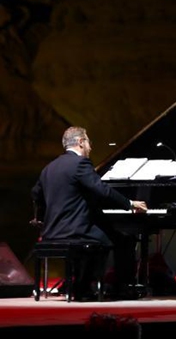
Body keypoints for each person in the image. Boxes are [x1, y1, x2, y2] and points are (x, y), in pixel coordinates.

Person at [31, 126, 147, 301]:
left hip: (52, 231)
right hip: (75, 230)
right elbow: (102, 190)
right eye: (88, 142)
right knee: (122, 239)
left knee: (104, 234)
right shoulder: (80, 164)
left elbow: (36, 194)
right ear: (80, 142)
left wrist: (40, 218)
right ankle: (117, 288)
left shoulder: (50, 167)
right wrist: (129, 203)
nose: (91, 147)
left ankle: (82, 285)